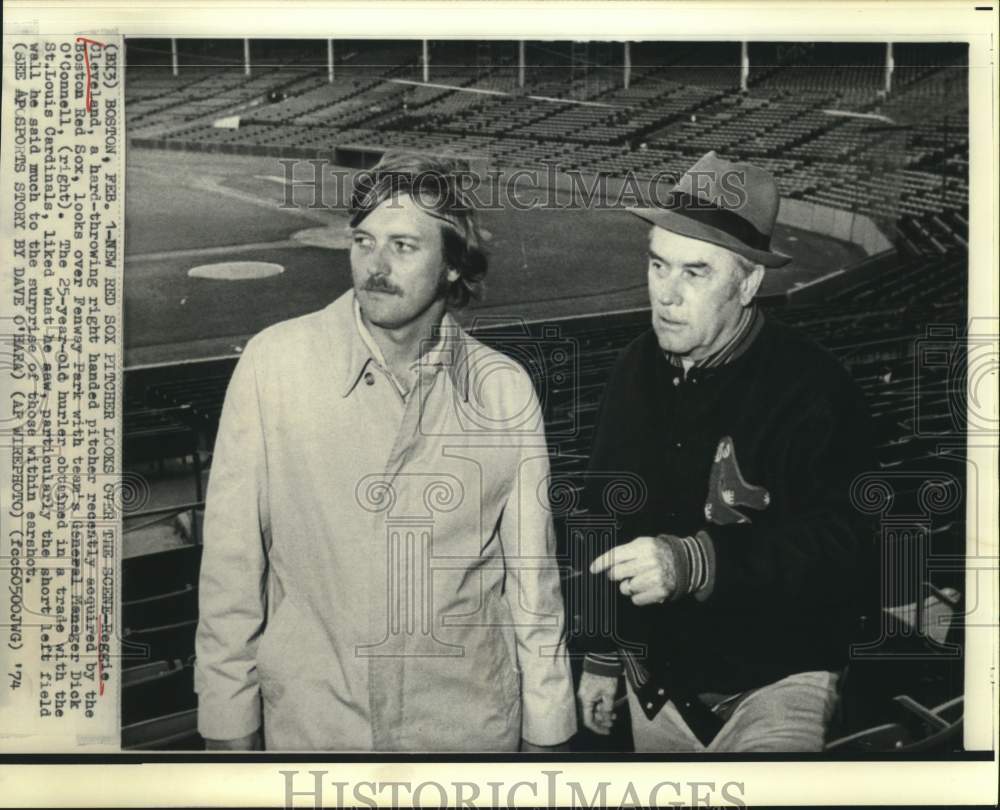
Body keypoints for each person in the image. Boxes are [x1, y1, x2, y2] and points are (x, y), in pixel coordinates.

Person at [195, 152, 577, 752]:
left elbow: (534, 584)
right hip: (316, 732)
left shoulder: (503, 389)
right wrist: (227, 728)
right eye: (364, 241)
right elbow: (230, 572)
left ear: (453, 265)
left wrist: (548, 734)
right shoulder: (274, 365)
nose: (375, 266)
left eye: (404, 246)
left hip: (467, 733)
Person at [575, 151, 878, 752]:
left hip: (775, 685)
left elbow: (847, 545)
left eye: (696, 273)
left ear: (749, 283)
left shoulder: (815, 385)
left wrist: (696, 562)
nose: (667, 294)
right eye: (659, 265)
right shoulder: (633, 367)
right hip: (655, 689)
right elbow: (601, 514)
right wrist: (602, 655)